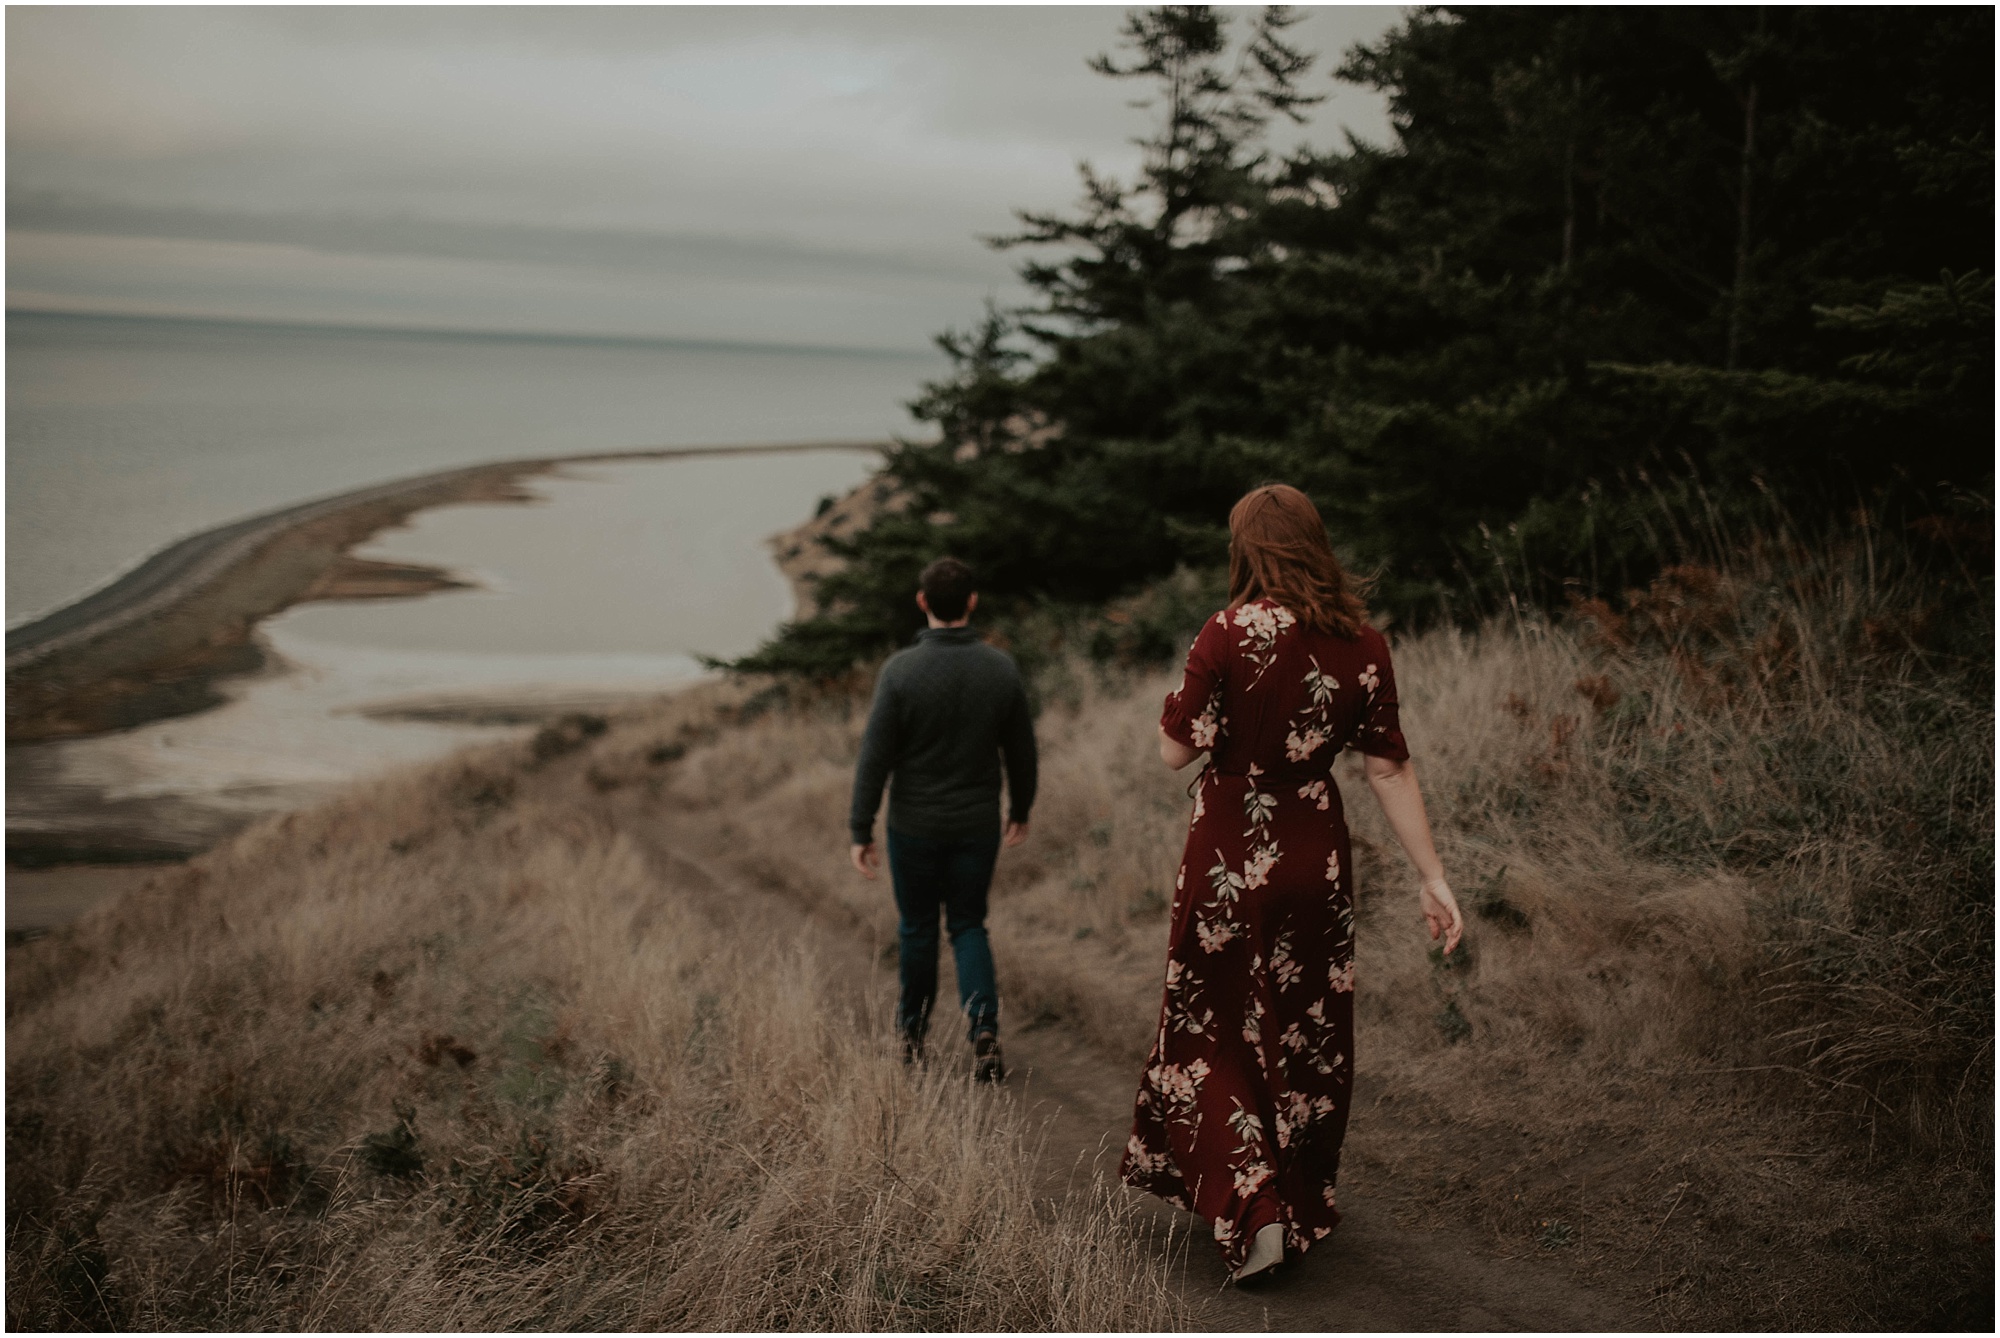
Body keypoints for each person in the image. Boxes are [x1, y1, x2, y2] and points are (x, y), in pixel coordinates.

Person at [1119, 484, 1464, 1283]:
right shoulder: (1363, 642)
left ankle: (1254, 1207)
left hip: (1228, 855)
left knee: (1209, 1031)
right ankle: (1294, 1198)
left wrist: (1185, 694)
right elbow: (1389, 769)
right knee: (1304, 1029)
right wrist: (1433, 877)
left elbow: (1175, 752)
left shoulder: (1226, 630)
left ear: (1248, 550)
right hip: (1315, 853)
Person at [850, 556, 1037, 1082]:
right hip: (976, 824)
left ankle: (911, 1035)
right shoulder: (999, 668)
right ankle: (984, 1030)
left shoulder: (899, 671)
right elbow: (1021, 751)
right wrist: (1020, 809)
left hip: (913, 825)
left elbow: (874, 758)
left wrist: (860, 828)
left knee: (918, 929)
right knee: (968, 924)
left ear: (922, 602)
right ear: (972, 602)